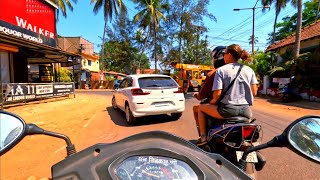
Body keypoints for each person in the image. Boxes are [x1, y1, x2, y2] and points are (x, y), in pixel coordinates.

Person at [197, 44, 258, 146]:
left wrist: (212, 102)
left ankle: (203, 137)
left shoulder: (221, 70)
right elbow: (254, 92)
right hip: (246, 111)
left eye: (224, 54)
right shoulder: (249, 70)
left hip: (227, 110)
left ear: (229, 54)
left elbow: (217, 95)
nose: (223, 56)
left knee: (201, 108)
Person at [193, 46, 226, 136]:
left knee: (197, 108)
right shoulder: (239, 71)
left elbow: (202, 96)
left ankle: (202, 136)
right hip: (242, 108)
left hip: (222, 108)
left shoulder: (214, 73)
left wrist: (197, 95)